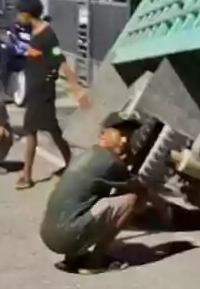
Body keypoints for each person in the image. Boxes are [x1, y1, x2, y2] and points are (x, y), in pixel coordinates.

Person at [40, 112, 147, 272]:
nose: (125, 141)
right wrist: (164, 212)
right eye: (121, 135)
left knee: (91, 202)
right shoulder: (110, 161)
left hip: (49, 234)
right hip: (65, 236)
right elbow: (139, 196)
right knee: (131, 200)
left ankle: (74, 256)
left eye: (129, 136)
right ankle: (96, 260)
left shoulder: (90, 155)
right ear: (103, 135)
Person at [13, 0, 90, 189]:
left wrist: (76, 89)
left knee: (30, 130)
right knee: (52, 129)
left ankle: (26, 176)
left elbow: (60, 59)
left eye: (19, 13)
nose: (17, 17)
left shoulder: (47, 35)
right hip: (35, 88)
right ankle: (71, 163)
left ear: (27, 14)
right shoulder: (35, 31)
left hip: (42, 90)